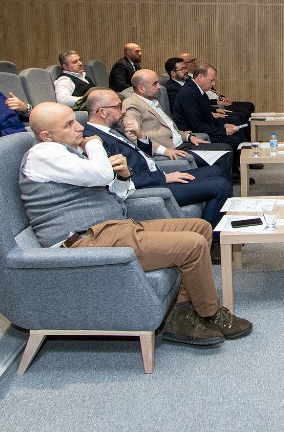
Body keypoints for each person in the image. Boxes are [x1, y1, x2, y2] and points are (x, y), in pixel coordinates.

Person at [19, 102, 252, 345]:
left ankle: (182, 314)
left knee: (199, 227)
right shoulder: (43, 154)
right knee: (192, 245)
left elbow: (119, 193)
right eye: (69, 124)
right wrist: (95, 144)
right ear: (46, 136)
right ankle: (210, 313)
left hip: (111, 227)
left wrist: (123, 176)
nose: (80, 127)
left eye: (76, 121)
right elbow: (101, 174)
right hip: (83, 240)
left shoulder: (68, 153)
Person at [83, 89, 232, 232]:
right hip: (149, 187)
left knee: (217, 170)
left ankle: (217, 223)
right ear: (103, 112)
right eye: (118, 107)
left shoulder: (111, 130)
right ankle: (212, 238)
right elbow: (117, 178)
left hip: (156, 176)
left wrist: (141, 135)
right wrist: (164, 178)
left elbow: (145, 156)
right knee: (221, 186)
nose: (123, 111)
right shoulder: (93, 140)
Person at [123, 69, 237, 181]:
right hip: (172, 150)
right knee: (224, 153)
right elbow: (131, 134)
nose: (159, 87)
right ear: (141, 88)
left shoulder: (152, 102)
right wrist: (165, 151)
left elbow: (170, 129)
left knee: (226, 149)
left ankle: (222, 185)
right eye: (155, 84)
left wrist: (189, 136)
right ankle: (223, 187)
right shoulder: (132, 104)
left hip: (183, 144)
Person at [172, 64, 249, 152]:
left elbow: (208, 117)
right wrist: (223, 131)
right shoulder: (188, 94)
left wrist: (224, 125)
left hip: (202, 129)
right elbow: (196, 126)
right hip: (194, 135)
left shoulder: (199, 91)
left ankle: (247, 154)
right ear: (200, 77)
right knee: (233, 141)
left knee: (236, 134)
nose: (213, 84)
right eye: (211, 80)